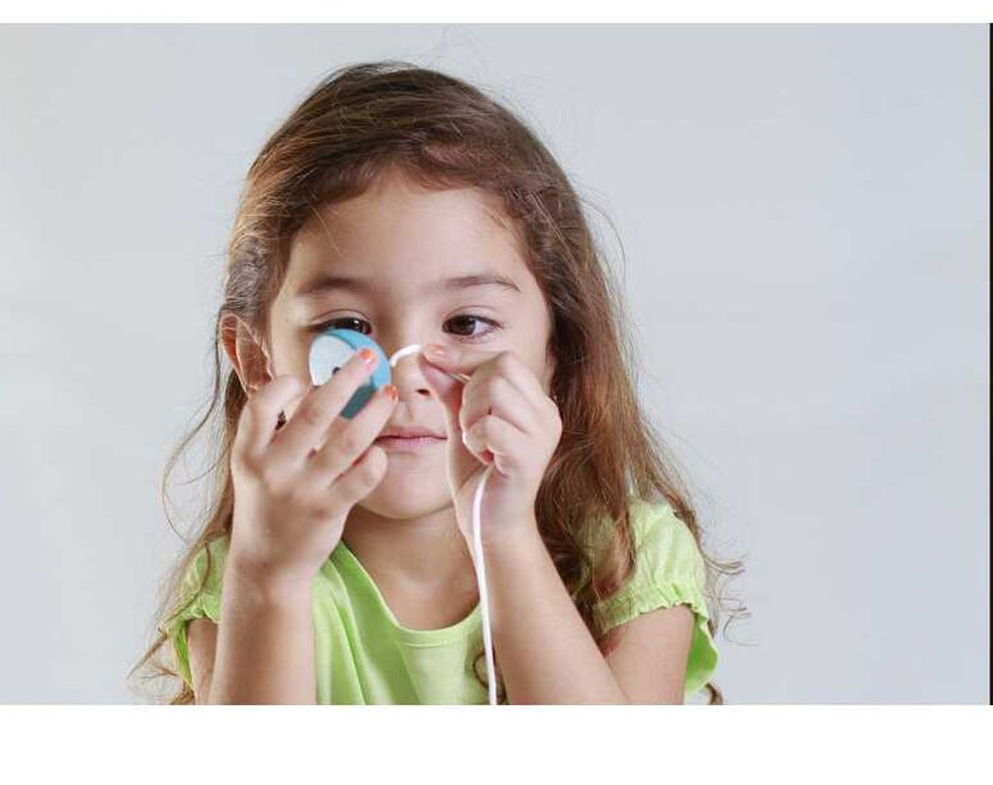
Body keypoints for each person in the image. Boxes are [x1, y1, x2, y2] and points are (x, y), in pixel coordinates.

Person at [130, 61, 744, 705]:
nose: (406, 375)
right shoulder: (246, 576)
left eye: (467, 322)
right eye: (348, 326)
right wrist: (269, 579)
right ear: (257, 362)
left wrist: (503, 535)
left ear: (556, 347)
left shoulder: (631, 557)